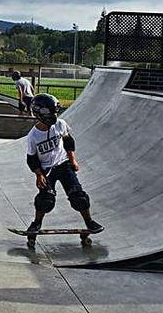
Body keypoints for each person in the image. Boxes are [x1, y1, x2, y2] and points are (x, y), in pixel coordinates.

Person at [24, 93, 103, 234]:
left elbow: (68, 141)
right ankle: (36, 224)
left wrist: (72, 159)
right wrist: (39, 175)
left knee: (78, 196)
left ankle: (89, 222)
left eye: (54, 112)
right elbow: (31, 158)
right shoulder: (33, 136)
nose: (53, 116)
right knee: (45, 200)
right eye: (50, 112)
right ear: (39, 113)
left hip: (64, 164)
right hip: (46, 170)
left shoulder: (60, 124)